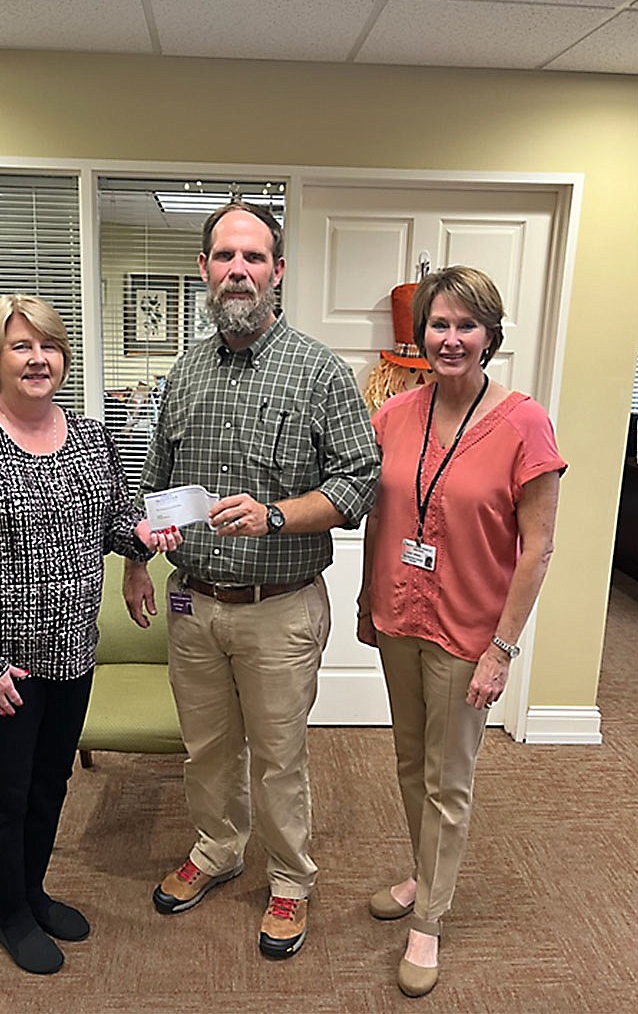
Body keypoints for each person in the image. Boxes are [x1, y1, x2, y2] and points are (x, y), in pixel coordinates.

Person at [124, 202, 379, 959]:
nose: (239, 270)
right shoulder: (186, 369)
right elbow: (156, 479)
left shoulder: (319, 370)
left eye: (254, 257)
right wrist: (140, 557)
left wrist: (275, 515)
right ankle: (217, 849)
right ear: (204, 269)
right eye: (225, 256)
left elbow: (360, 481)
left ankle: (292, 879)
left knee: (277, 753)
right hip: (194, 604)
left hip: (280, 608)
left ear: (278, 272)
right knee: (205, 749)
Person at [0, 294, 179, 976]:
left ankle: (31, 888)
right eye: (21, 346)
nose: (38, 358)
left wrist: (143, 538)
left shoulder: (90, 436)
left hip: (71, 656)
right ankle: (7, 911)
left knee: (49, 783)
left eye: (49, 345)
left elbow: (116, 519)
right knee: (3, 793)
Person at [356, 266, 566, 998]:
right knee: (411, 763)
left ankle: (430, 921)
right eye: (439, 325)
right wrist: (363, 602)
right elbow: (382, 512)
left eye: (465, 325)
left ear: (489, 335)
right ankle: (423, 872)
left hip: (466, 630)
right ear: (422, 335)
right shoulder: (394, 414)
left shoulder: (524, 422)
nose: (451, 339)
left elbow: (537, 546)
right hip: (398, 616)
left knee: (450, 778)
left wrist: (502, 648)